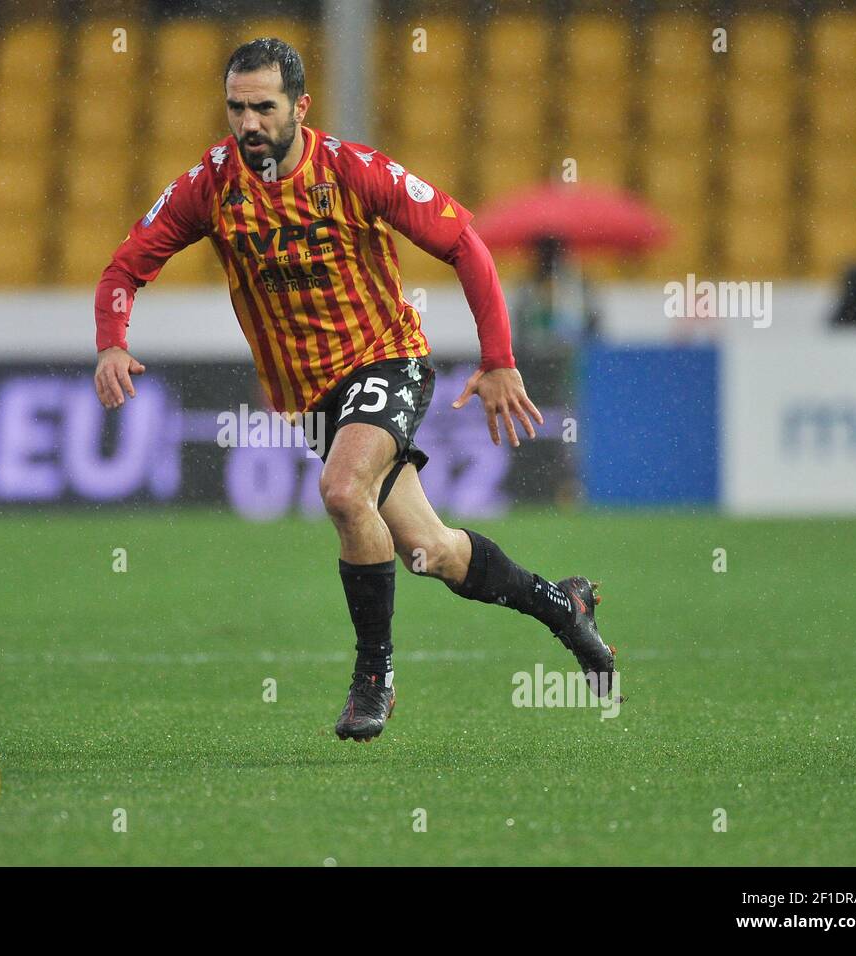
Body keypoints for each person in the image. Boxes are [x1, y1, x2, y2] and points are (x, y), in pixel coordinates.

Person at [92, 38, 618, 743]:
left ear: (300, 107)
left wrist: (498, 357)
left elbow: (464, 240)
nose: (248, 124)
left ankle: (374, 677)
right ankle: (565, 607)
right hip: (309, 399)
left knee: (343, 493)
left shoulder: (351, 170)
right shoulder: (209, 187)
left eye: (264, 108)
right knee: (430, 551)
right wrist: (113, 342)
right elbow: (124, 269)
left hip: (386, 360)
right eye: (236, 108)